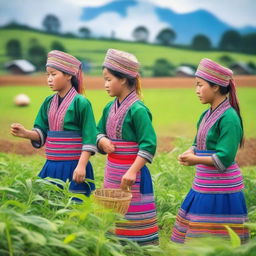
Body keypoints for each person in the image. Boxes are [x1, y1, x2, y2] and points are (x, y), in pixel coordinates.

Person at [171, 58, 249, 243]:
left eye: (200, 85)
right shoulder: (205, 115)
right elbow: (197, 144)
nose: (196, 90)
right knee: (201, 239)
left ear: (215, 87)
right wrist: (189, 152)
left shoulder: (229, 117)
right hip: (203, 184)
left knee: (217, 241)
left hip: (222, 188)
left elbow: (225, 158)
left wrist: (195, 160)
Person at [10, 50, 97, 197]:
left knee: (73, 207)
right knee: (47, 203)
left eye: (53, 74)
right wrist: (25, 133)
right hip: (51, 164)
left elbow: (89, 136)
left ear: (69, 75)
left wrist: (81, 166)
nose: (49, 79)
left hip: (74, 165)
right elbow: (41, 132)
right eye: (47, 75)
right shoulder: (48, 102)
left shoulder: (81, 102)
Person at [97, 49, 159, 245]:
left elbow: (148, 144)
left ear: (123, 79)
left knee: (135, 218)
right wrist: (102, 141)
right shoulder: (109, 108)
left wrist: (132, 171)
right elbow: (97, 131)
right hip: (112, 171)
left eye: (108, 79)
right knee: (113, 217)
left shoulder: (138, 110)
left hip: (133, 173)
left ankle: (138, 247)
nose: (105, 85)